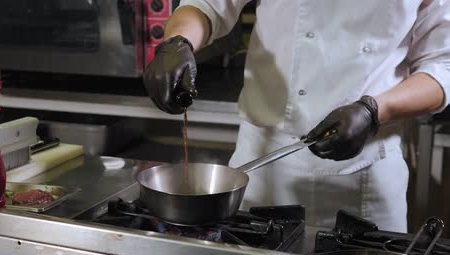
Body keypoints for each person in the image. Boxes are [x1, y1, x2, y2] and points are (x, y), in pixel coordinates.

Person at [143, 0, 450, 232]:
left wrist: (374, 110)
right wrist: (178, 42)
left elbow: (443, 66)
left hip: (364, 178)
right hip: (262, 168)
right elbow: (209, 5)